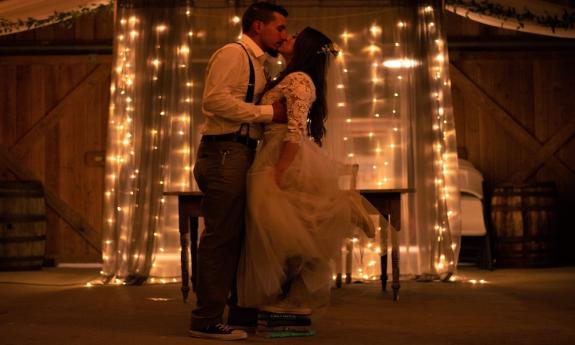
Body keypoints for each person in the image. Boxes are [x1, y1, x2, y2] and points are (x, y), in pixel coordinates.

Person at [237, 27, 377, 316]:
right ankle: (289, 295)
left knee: (288, 231)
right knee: (284, 231)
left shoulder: (300, 79)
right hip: (272, 150)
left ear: (306, 49)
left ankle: (296, 297)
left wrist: (280, 169)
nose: (288, 37)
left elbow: (295, 130)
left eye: (296, 37)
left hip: (283, 154)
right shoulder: (289, 75)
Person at [189, 2, 289, 341]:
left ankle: (236, 311)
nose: (284, 35)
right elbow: (214, 101)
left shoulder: (259, 64)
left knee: (237, 237)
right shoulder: (233, 54)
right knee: (221, 238)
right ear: (258, 26)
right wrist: (267, 114)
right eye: (280, 28)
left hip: (240, 152)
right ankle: (205, 320)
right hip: (224, 152)